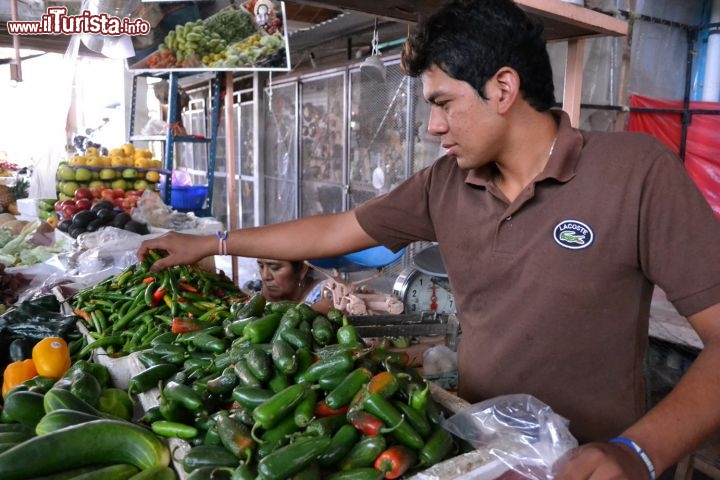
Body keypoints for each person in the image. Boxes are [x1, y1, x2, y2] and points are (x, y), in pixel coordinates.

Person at [138, 0, 720, 477]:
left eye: (443, 103)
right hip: (478, 450)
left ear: (503, 88)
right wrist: (212, 244)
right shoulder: (446, 184)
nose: (434, 126)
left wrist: (639, 452)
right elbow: (336, 229)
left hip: (595, 462)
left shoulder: (637, 172)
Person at [254, 258, 331, 313]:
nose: (265, 276)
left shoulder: (326, 294)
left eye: (275, 268)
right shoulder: (263, 293)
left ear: (302, 269)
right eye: (261, 266)